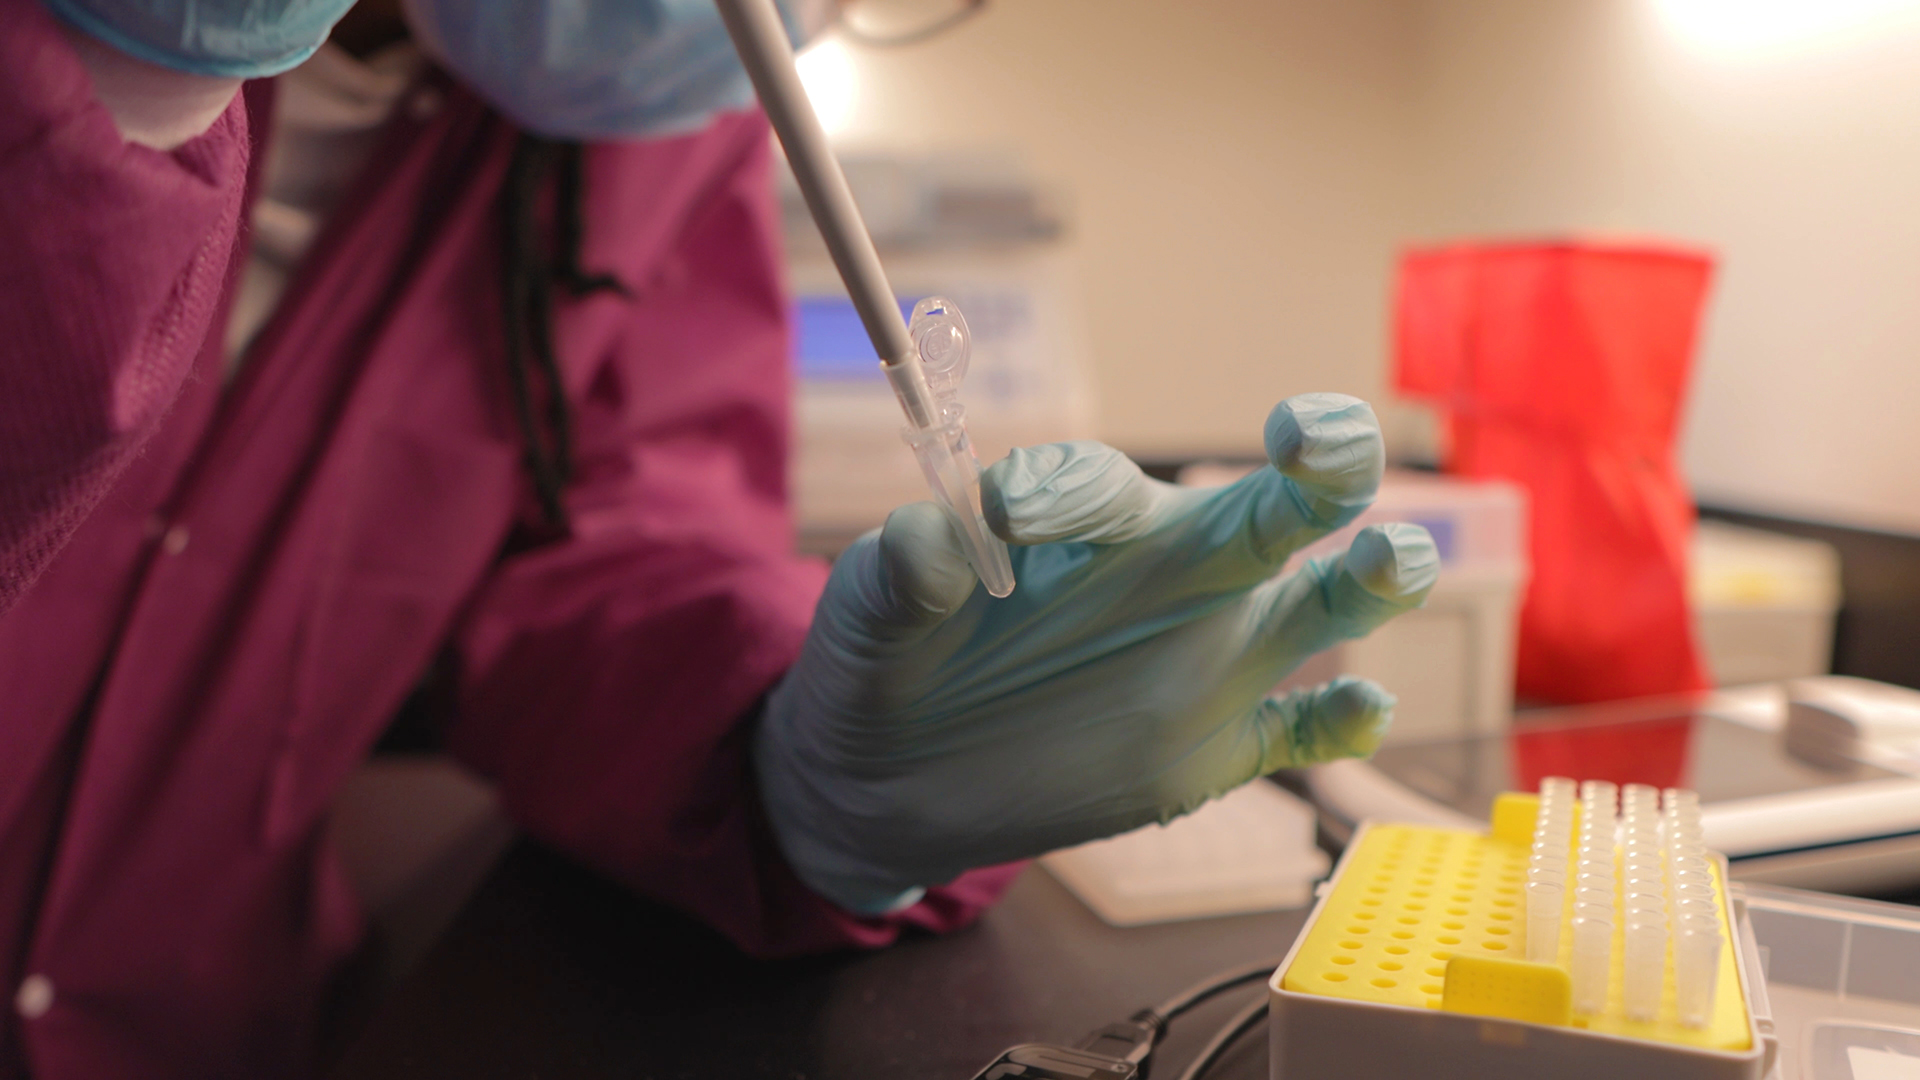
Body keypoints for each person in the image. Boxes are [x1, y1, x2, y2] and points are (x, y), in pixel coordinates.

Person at [0, 0, 1440, 1075]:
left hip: (204, 1026)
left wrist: (796, 761)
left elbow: (625, 542)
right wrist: (85, 95)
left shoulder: (643, 130)